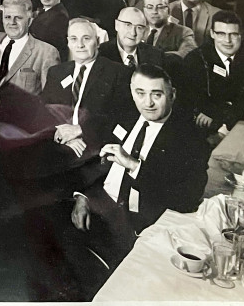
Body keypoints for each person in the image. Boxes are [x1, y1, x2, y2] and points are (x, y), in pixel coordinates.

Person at [47, 65, 208, 298]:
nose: (148, 103)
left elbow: (188, 198)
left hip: (138, 224)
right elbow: (96, 163)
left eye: (157, 94)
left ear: (172, 94)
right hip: (100, 203)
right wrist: (83, 197)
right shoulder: (126, 116)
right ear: (132, 91)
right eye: (140, 93)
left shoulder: (190, 138)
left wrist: (134, 165)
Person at [42, 19, 133, 160]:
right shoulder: (56, 72)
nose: (80, 45)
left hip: (95, 151)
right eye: (74, 39)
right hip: (59, 145)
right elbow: (43, 111)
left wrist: (80, 130)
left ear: (97, 41)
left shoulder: (118, 72)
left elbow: (123, 117)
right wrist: (65, 136)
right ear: (68, 42)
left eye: (86, 39)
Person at [179, 10, 244, 132]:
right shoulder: (195, 59)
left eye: (233, 34)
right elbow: (191, 101)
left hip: (242, 125)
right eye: (221, 34)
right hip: (206, 128)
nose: (227, 41)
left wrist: (217, 112)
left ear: (241, 35)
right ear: (212, 34)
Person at [0, 0, 59, 97]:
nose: (12, 22)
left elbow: (50, 99)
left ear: (30, 21)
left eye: (18, 18)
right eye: (8, 17)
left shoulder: (47, 53)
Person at [98, 7, 164, 69]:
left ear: (145, 31)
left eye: (139, 27)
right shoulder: (100, 54)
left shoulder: (155, 55)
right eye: (128, 25)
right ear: (117, 25)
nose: (133, 33)